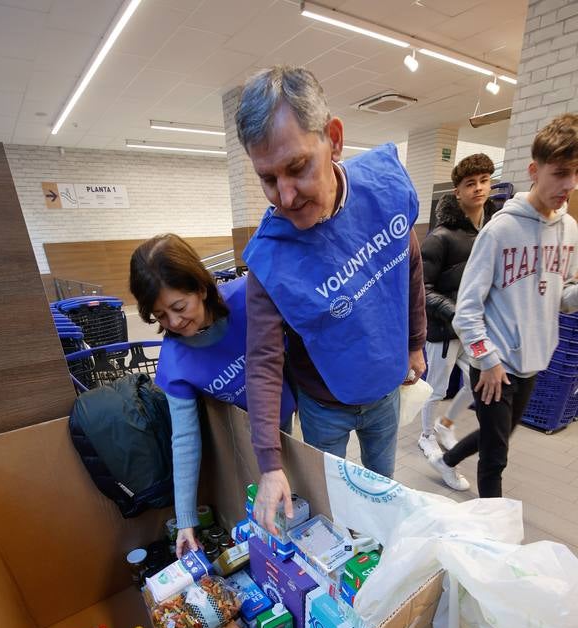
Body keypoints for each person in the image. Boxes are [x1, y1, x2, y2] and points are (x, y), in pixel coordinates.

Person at [235, 66, 426, 533]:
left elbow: (410, 264)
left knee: (383, 489)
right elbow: (262, 360)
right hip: (322, 404)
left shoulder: (382, 193)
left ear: (334, 139)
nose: (285, 195)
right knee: (330, 509)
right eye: (267, 178)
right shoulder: (271, 259)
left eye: (298, 167)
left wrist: (416, 342)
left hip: (385, 388)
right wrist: (269, 464)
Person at [430, 115, 578, 497]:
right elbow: (466, 310)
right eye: (560, 172)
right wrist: (488, 361)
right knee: (496, 456)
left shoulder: (570, 229)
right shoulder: (500, 230)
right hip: (493, 364)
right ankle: (492, 537)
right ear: (535, 170)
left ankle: (444, 460)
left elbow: (561, 297)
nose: (569, 184)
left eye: (576, 173)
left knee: (501, 434)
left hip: (533, 360)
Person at [130, 234, 296, 555]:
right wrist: (186, 521)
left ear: (201, 288)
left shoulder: (249, 297)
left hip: (301, 407)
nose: (174, 322)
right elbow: (185, 441)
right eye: (160, 316)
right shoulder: (175, 363)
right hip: (260, 437)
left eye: (179, 307)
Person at [418, 154, 496, 484]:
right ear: (457, 190)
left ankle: (445, 424)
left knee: (477, 384)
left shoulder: (493, 230)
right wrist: (456, 314)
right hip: (445, 329)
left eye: (484, 181)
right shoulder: (441, 237)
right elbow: (422, 288)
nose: (478, 188)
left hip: (477, 328)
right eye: (470, 183)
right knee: (433, 389)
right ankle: (425, 435)